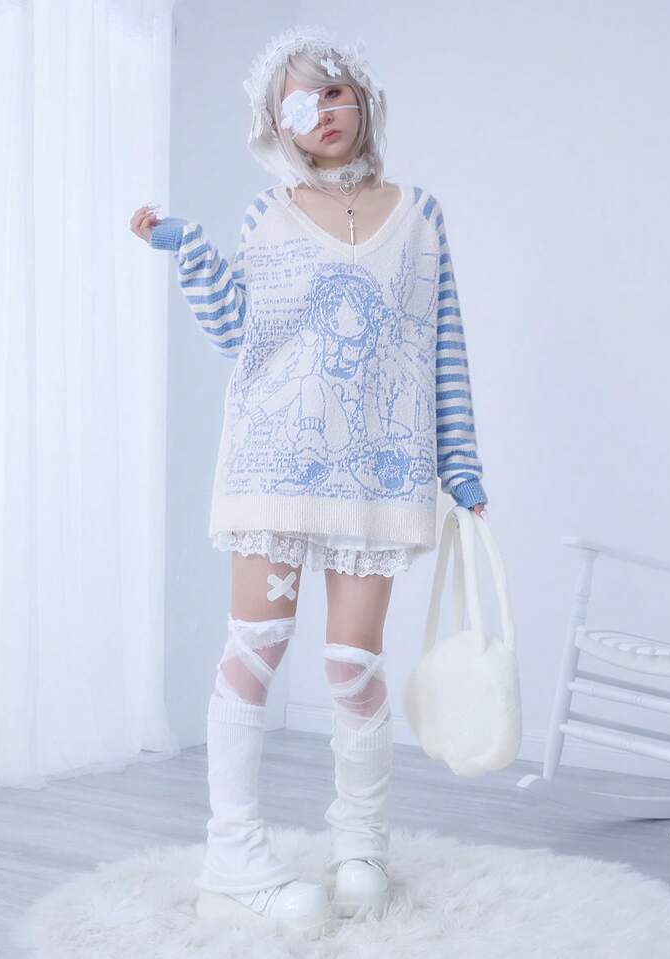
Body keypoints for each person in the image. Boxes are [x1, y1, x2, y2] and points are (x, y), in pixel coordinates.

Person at [129, 22, 488, 939]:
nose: (322, 110)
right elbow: (241, 335)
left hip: (380, 470)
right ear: (274, 123)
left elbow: (441, 343)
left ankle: (360, 845)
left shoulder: (421, 215)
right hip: (272, 461)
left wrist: (461, 461)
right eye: (299, 100)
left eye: (334, 89)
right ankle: (231, 858)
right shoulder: (270, 214)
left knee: (352, 664)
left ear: (362, 97)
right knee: (254, 648)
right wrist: (190, 251)